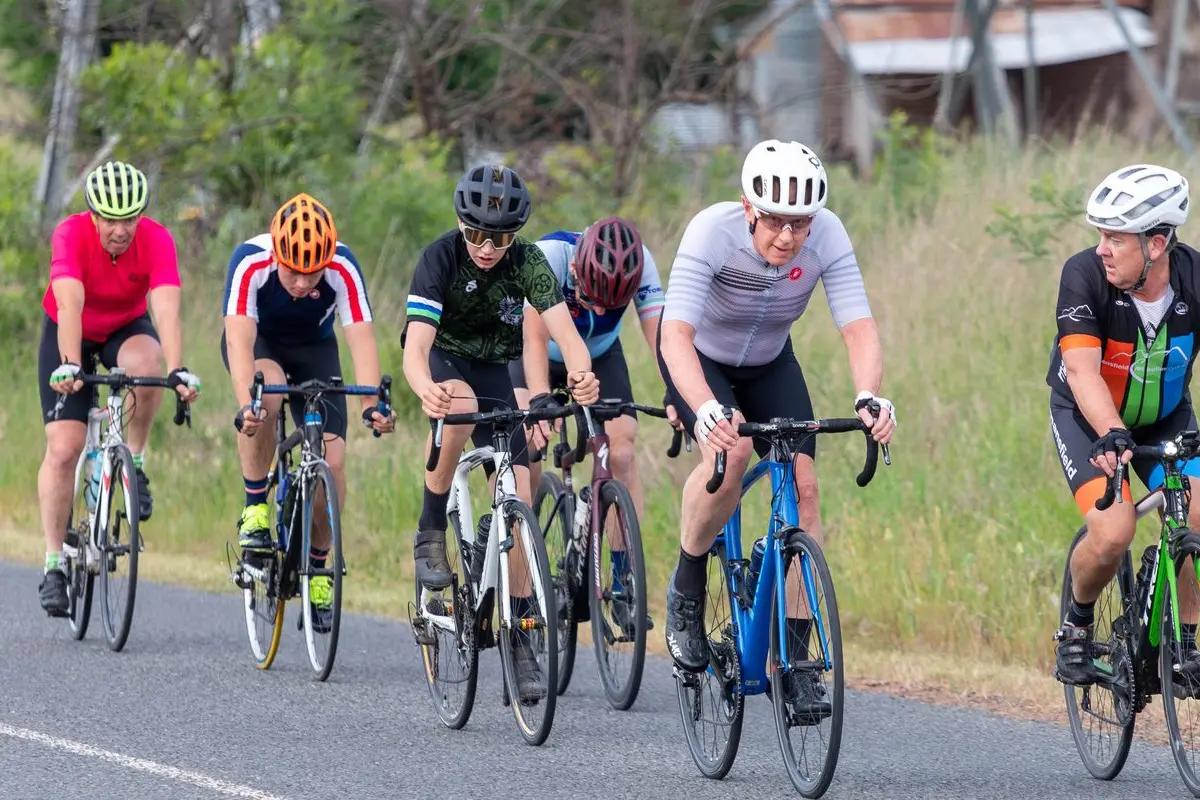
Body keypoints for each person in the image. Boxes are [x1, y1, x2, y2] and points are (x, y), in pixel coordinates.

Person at [657, 139, 895, 720]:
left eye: (800, 224)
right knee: (733, 452)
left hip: (769, 362)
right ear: (748, 209)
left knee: (806, 489)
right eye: (776, 223)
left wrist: (868, 394)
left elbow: (858, 326)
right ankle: (687, 587)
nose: (788, 238)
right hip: (701, 360)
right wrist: (704, 406)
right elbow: (674, 335)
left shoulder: (829, 237)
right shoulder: (710, 233)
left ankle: (799, 660)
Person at [402, 163, 599, 701]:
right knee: (460, 408)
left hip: (495, 367)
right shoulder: (439, 257)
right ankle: (429, 529)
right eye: (476, 235)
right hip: (446, 359)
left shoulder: (530, 261)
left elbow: (565, 332)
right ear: (461, 226)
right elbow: (416, 348)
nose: (487, 247)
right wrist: (423, 387)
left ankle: (519, 638)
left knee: (521, 484)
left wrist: (581, 374)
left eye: (500, 237)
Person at [1049, 164, 1200, 690]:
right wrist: (1112, 433)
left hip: (1166, 419)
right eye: (1100, 235)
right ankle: (1076, 625)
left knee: (1197, 514)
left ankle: (1183, 643)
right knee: (1114, 532)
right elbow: (1082, 372)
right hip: (1088, 418)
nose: (1102, 249)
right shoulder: (1083, 275)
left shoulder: (1194, 278)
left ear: (1157, 244)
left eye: (1115, 237)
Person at [222, 192, 395, 632]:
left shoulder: (343, 266)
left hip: (317, 352)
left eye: (311, 271)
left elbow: (361, 339)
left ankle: (320, 567)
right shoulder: (250, 262)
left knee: (333, 464)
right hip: (262, 349)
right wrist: (248, 403)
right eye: (292, 270)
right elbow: (239, 342)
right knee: (268, 396)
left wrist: (372, 405)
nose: (301, 282)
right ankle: (256, 505)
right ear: (277, 253)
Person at [36, 160, 202, 616]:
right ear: (94, 215)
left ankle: (136, 460)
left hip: (124, 328)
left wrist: (180, 370)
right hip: (70, 331)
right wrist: (69, 365)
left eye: (129, 218)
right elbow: (70, 302)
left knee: (147, 366)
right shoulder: (70, 235)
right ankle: (54, 562)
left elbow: (166, 309)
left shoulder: (156, 240)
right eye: (111, 219)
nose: (120, 230)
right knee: (65, 447)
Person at [508, 216, 674, 634]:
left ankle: (623, 581)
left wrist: (678, 394)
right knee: (525, 454)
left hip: (598, 356)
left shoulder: (642, 265)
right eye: (592, 297)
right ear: (577, 270)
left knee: (622, 449)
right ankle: (524, 589)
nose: (600, 310)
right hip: (536, 352)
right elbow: (530, 339)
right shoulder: (547, 258)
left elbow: (661, 340)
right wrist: (540, 399)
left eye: (611, 305)